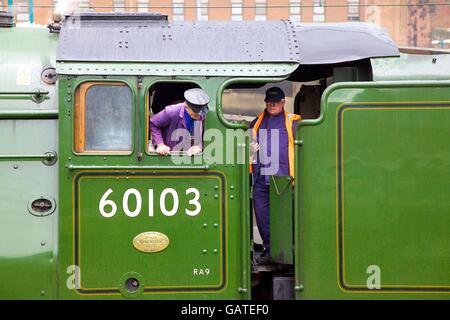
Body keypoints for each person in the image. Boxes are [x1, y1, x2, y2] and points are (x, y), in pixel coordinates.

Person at [249, 86, 301, 263]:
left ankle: (286, 254)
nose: (271, 105)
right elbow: (244, 151)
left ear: (283, 103)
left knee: (284, 217)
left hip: (283, 179)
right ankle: (270, 250)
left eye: (275, 102)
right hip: (260, 178)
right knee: (262, 215)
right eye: (269, 102)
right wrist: (250, 150)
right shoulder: (256, 122)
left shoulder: (293, 122)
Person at [150, 88, 210, 156]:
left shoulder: (201, 115)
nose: (201, 116)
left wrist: (198, 146)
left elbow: (201, 136)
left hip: (187, 155)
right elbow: (153, 123)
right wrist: (160, 144)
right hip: (169, 153)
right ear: (187, 107)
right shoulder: (171, 111)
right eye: (197, 113)